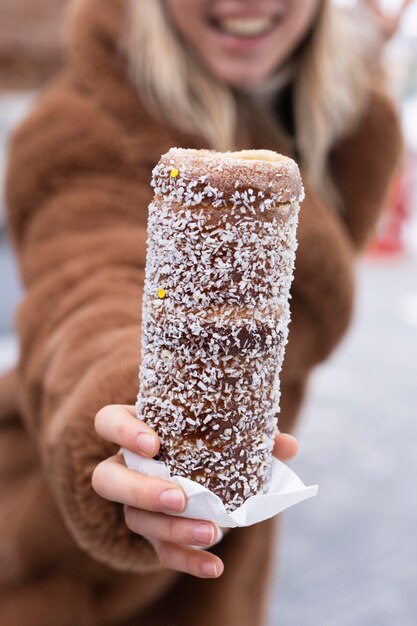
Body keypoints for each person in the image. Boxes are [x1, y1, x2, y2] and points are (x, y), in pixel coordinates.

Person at [0, 0, 402, 624]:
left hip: (225, 548)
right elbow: (84, 287)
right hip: (56, 565)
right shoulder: (92, 119)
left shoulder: (348, 112)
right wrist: (129, 410)